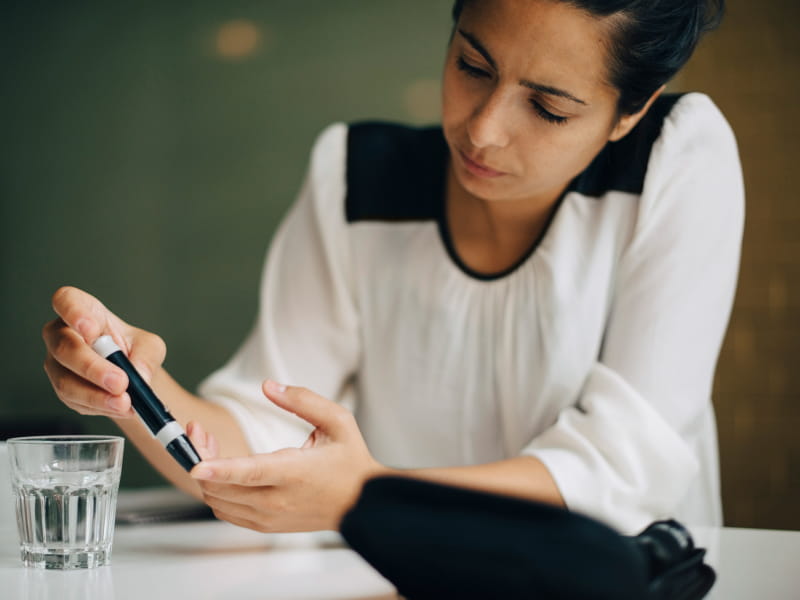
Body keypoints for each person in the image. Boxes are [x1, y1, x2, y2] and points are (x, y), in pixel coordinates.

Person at [42, 0, 742, 535]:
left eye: (549, 108)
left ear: (631, 111)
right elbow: (258, 439)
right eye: (472, 65)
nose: (484, 128)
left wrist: (368, 495)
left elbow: (625, 464)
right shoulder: (354, 180)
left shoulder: (677, 160)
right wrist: (132, 388)